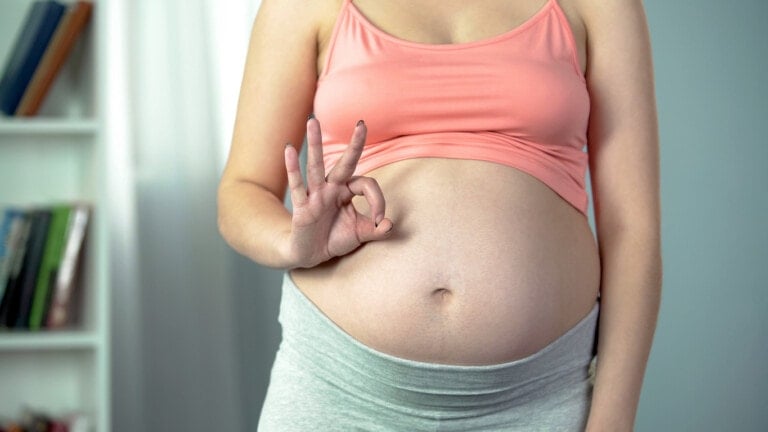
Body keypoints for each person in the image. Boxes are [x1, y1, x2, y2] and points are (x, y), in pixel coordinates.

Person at [218, 0, 661, 430]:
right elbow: (244, 189)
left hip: (539, 400)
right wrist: (292, 243)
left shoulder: (602, 7)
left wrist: (613, 421)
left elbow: (632, 230)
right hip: (338, 390)